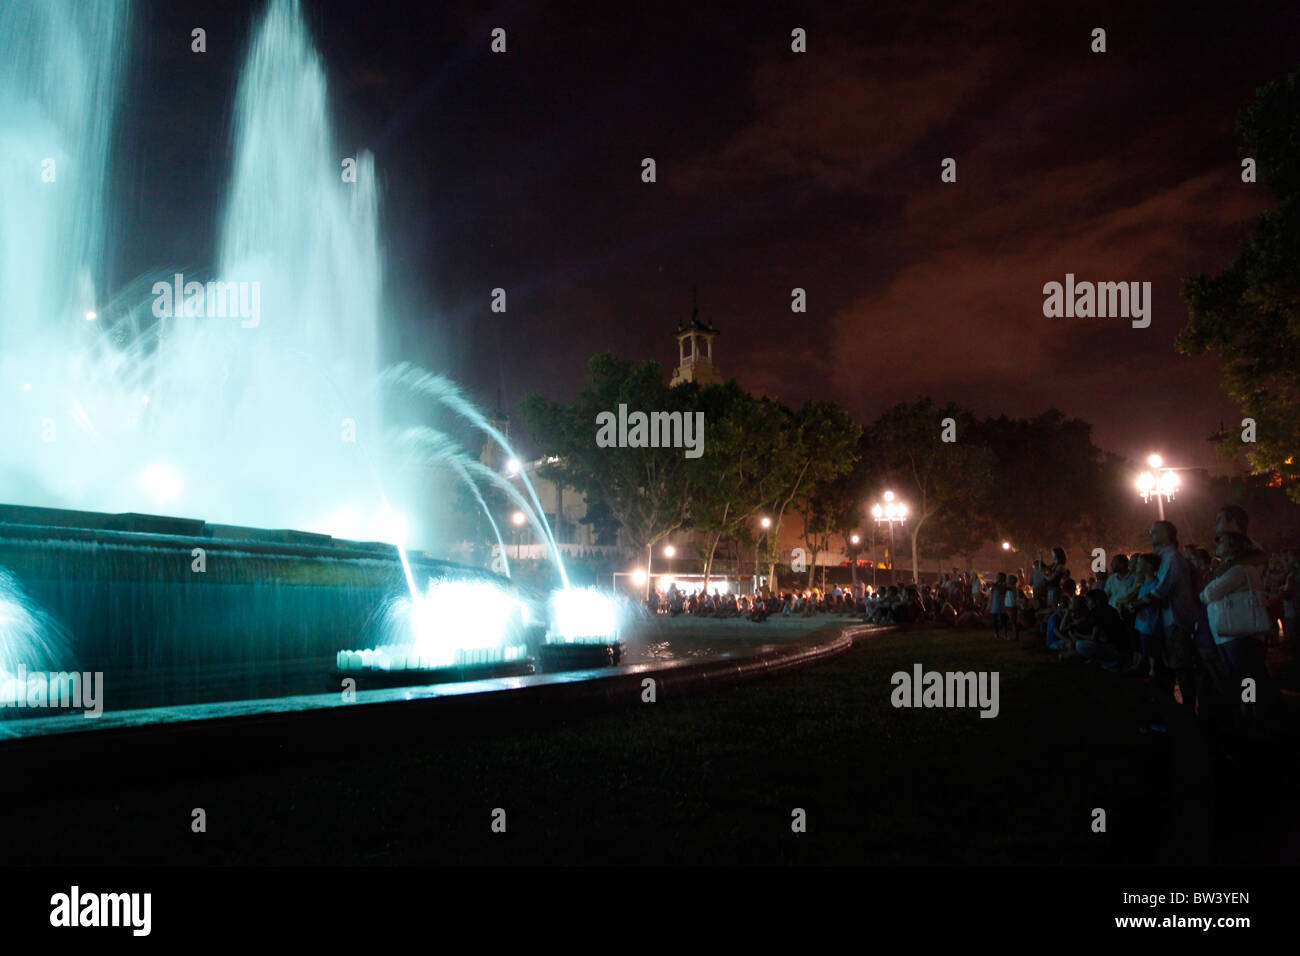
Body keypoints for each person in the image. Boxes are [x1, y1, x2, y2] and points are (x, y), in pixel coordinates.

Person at [1200, 531, 1270, 732]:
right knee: (1246, 674)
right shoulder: (1240, 569)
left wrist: (1207, 591)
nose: (1217, 546)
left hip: (1238, 633)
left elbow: (1210, 593)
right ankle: (1250, 709)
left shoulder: (1238, 570)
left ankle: (1249, 712)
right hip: (1234, 633)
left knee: (1244, 674)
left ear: (1231, 547)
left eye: (1221, 542)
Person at [1137, 521, 1201, 719]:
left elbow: (1162, 589)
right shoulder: (1164, 557)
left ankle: (1189, 707)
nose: (1151, 534)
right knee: (1174, 662)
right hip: (1168, 618)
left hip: (1176, 617)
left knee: (1181, 664)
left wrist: (1139, 602)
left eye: (1156, 531)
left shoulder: (1172, 558)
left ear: (1167, 534)